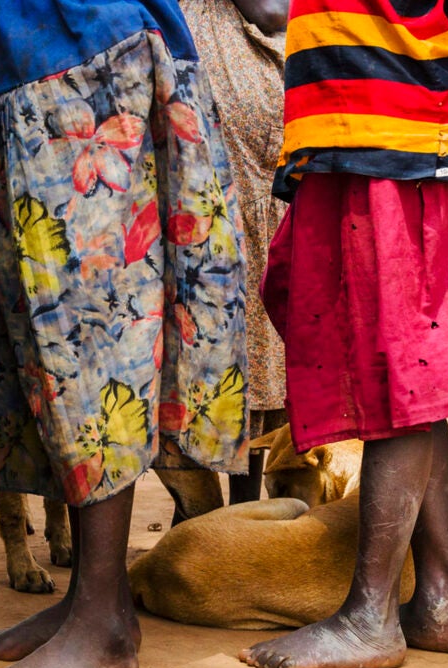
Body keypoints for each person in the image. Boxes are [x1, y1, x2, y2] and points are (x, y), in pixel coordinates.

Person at [0, 0, 247, 668]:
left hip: (86, 55)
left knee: (91, 334)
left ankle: (105, 622)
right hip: (22, 57)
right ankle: (87, 596)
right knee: (40, 337)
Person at [244, 0, 448, 668]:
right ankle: (441, 600)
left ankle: (370, 617)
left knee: (402, 381)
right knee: (409, 380)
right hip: (354, 140)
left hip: (403, 147)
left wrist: (418, 59)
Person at [176, 0, 290, 506]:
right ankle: (205, 513)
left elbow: (273, 12)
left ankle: (233, 515)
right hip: (223, 147)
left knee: (256, 336)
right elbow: (270, 11)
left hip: (262, 163)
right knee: (220, 327)